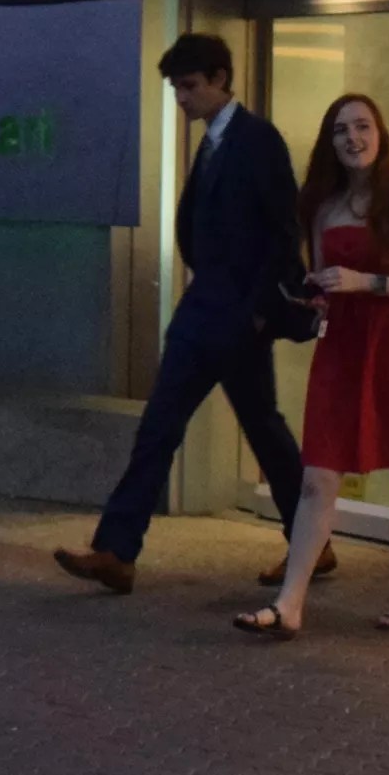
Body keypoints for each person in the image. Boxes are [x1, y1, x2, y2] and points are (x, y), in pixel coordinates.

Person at [58, 34, 319, 593]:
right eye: (176, 87)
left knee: (259, 428)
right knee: (164, 426)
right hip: (205, 309)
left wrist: (256, 314)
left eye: (189, 86)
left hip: (235, 315)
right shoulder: (214, 142)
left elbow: (283, 233)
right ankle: (116, 550)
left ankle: (310, 543)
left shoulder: (256, 140)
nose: (181, 97)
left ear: (220, 79)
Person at [236, 93, 389, 639]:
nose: (353, 138)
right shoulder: (321, 205)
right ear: (329, 142)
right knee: (319, 473)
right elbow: (328, 280)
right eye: (341, 130)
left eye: (362, 126)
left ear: (380, 134)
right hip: (344, 346)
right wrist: (314, 296)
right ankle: (289, 605)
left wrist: (365, 282)